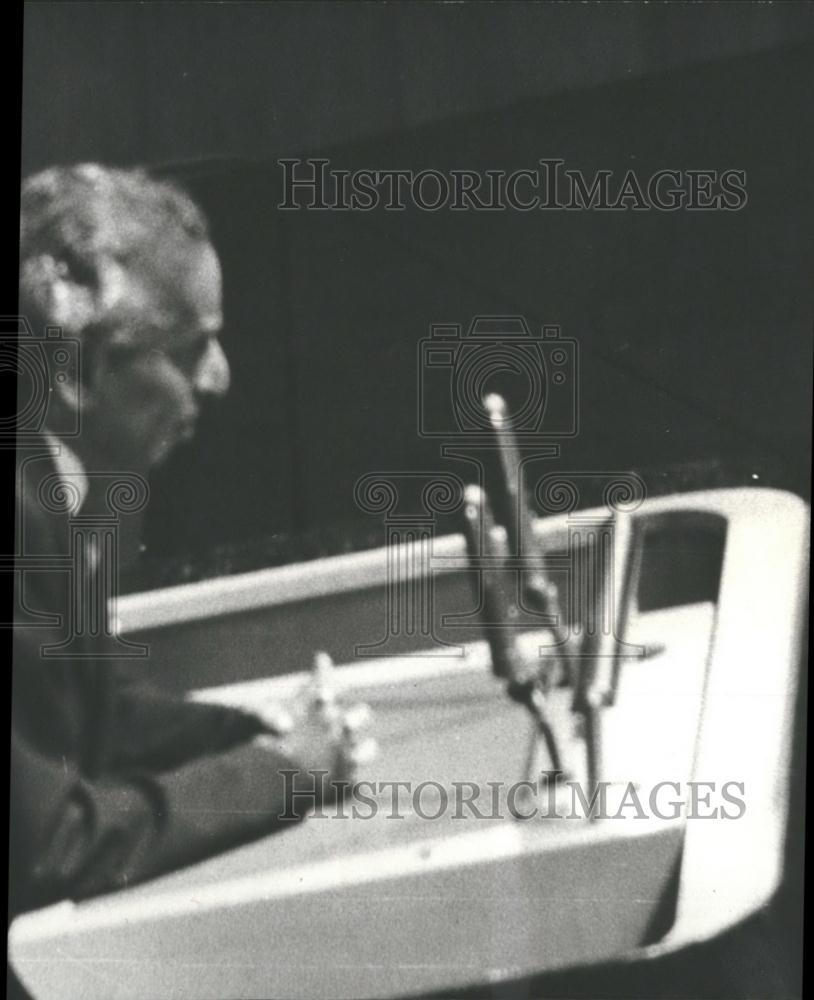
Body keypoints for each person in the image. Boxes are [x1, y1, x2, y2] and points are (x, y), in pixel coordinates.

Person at [9, 164, 354, 994]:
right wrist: (285, 774)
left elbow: (90, 712)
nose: (218, 377)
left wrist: (253, 733)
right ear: (78, 369)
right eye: (191, 346)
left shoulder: (48, 488)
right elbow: (53, 843)